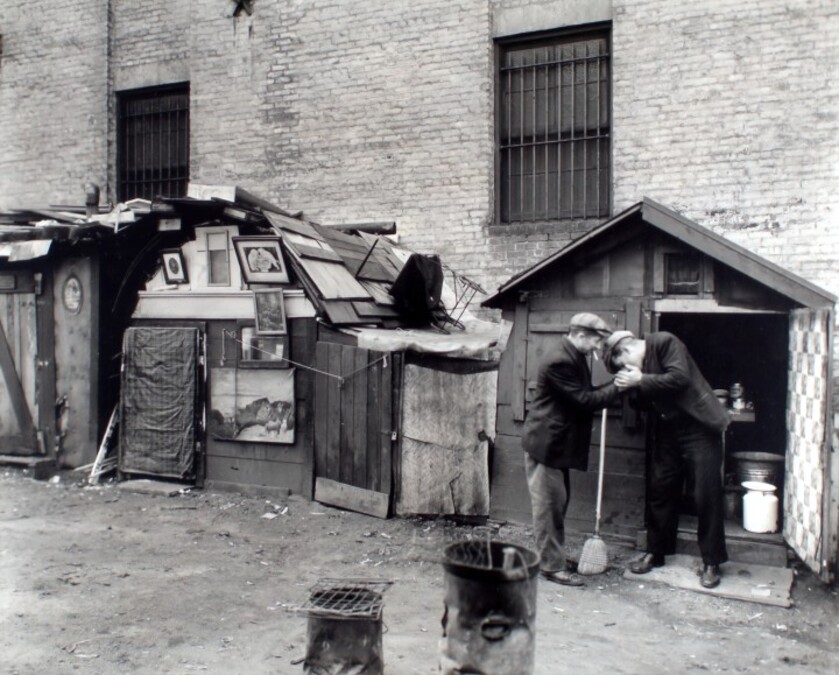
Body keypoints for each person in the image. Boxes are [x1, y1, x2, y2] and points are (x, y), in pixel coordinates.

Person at [603, 330, 730, 588]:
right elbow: (640, 401)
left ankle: (712, 561)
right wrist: (629, 389)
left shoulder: (664, 342)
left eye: (624, 366)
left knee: (706, 494)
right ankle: (656, 552)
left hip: (700, 428)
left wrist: (640, 379)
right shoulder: (639, 372)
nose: (628, 370)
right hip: (668, 431)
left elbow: (680, 378)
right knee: (661, 489)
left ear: (626, 352)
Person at [521, 313, 620, 587]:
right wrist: (619, 385)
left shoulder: (573, 355)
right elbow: (584, 400)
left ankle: (553, 558)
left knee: (557, 503)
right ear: (579, 335)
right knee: (549, 507)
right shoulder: (561, 360)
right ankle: (551, 567)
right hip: (546, 445)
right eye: (595, 341)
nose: (598, 348)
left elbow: (583, 395)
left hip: (555, 445)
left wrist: (613, 387)